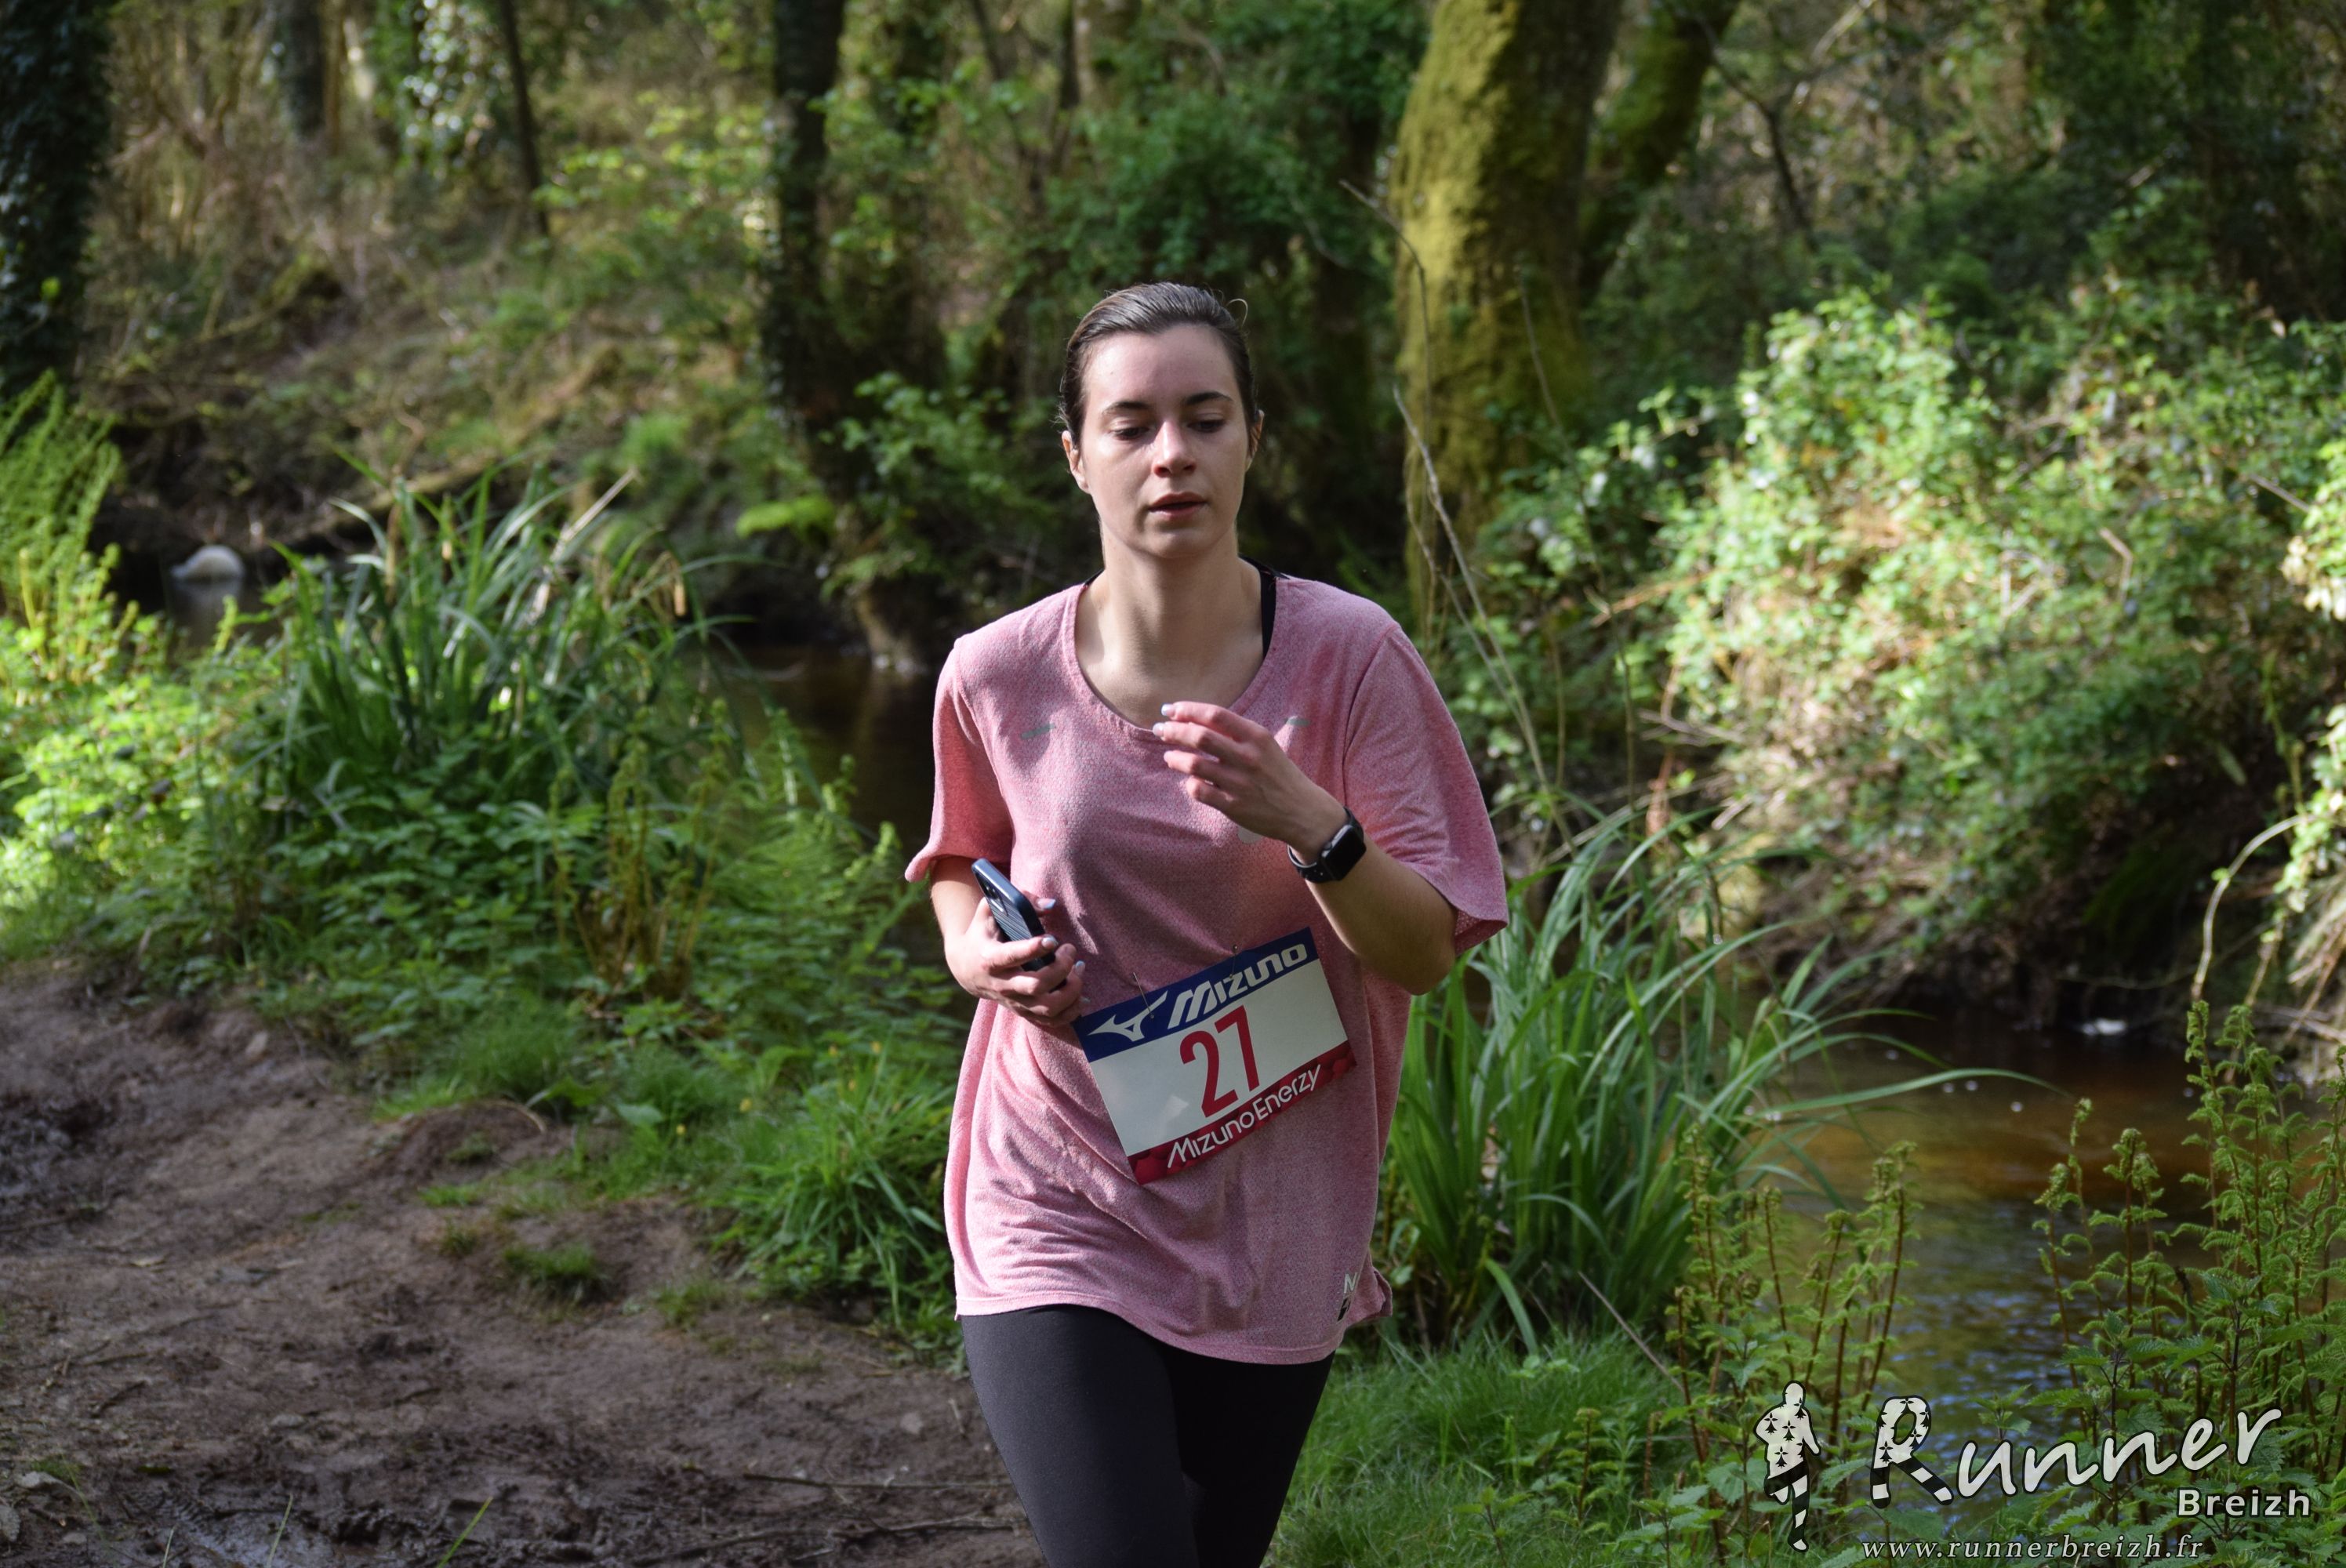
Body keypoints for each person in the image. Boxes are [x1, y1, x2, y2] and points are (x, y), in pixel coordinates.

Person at [905, 280, 1509, 1568]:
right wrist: (976, 953)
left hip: (1275, 1209)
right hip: (1056, 1187)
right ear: (1079, 457)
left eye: (1204, 417)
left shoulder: (1352, 658)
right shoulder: (995, 673)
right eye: (1131, 425)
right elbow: (961, 860)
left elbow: (1422, 955)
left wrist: (1313, 825)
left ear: (1253, 440)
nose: (1171, 453)